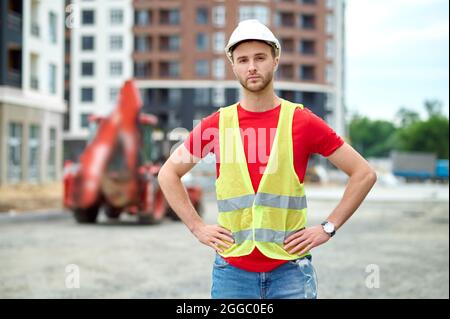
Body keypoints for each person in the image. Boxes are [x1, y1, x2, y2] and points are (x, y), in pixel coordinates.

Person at [158, 19, 377, 299]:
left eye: (260, 58)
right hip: (232, 273)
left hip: (290, 271)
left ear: (275, 60)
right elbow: (168, 173)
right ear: (233, 66)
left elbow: (364, 173)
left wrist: (328, 227)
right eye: (243, 60)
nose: (252, 66)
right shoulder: (215, 125)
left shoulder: (302, 121)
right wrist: (197, 227)